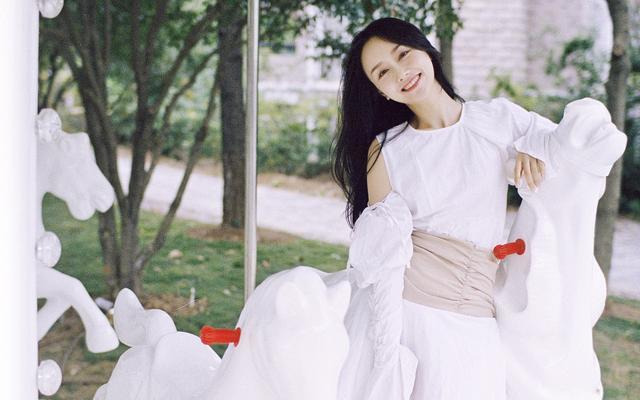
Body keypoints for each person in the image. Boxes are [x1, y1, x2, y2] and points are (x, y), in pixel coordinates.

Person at [331, 17, 557, 400]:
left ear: (426, 50)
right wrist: (386, 356)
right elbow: (384, 258)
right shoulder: (387, 149)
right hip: (409, 314)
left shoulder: (499, 119)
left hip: (477, 315)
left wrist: (536, 144)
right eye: (383, 72)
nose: (400, 72)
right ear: (379, 91)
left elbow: (574, 146)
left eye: (403, 54)